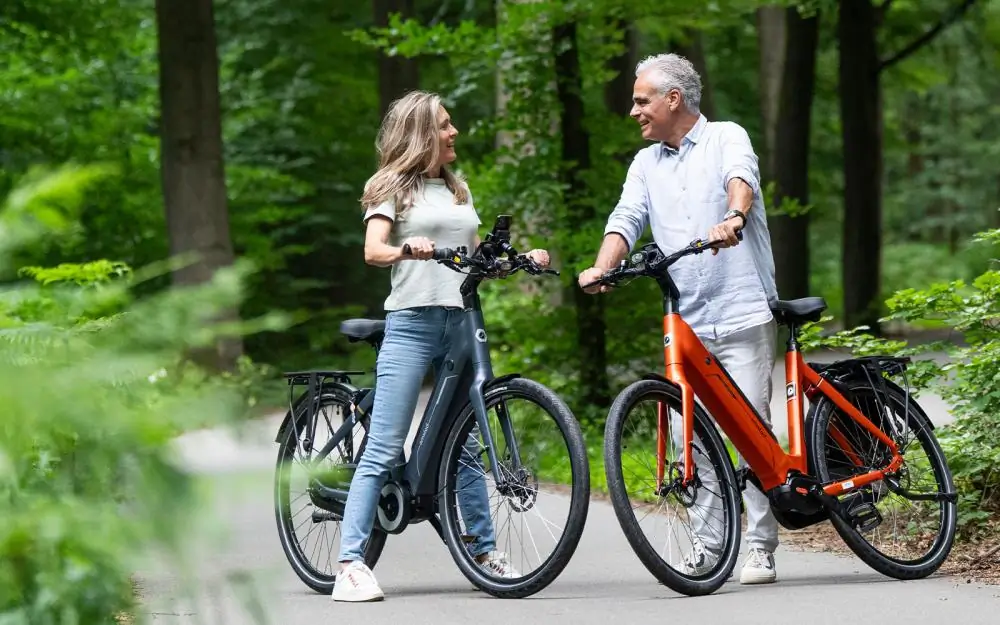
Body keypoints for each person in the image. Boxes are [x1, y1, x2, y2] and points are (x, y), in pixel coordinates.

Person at [333, 90, 546, 602]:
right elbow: (373, 250)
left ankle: (482, 549)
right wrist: (409, 248)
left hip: (460, 321)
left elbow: (470, 260)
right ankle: (350, 564)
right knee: (385, 443)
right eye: (445, 126)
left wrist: (516, 261)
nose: (454, 134)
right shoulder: (389, 186)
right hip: (411, 324)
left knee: (465, 445)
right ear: (422, 133)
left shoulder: (458, 190)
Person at [577, 53, 781, 585]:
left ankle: (759, 547)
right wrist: (603, 266)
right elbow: (626, 218)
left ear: (673, 99)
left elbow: (743, 178)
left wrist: (734, 216)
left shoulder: (726, 136)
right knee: (690, 434)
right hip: (686, 319)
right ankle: (710, 545)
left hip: (741, 309)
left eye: (641, 100)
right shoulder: (645, 164)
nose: (633, 111)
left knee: (749, 430)